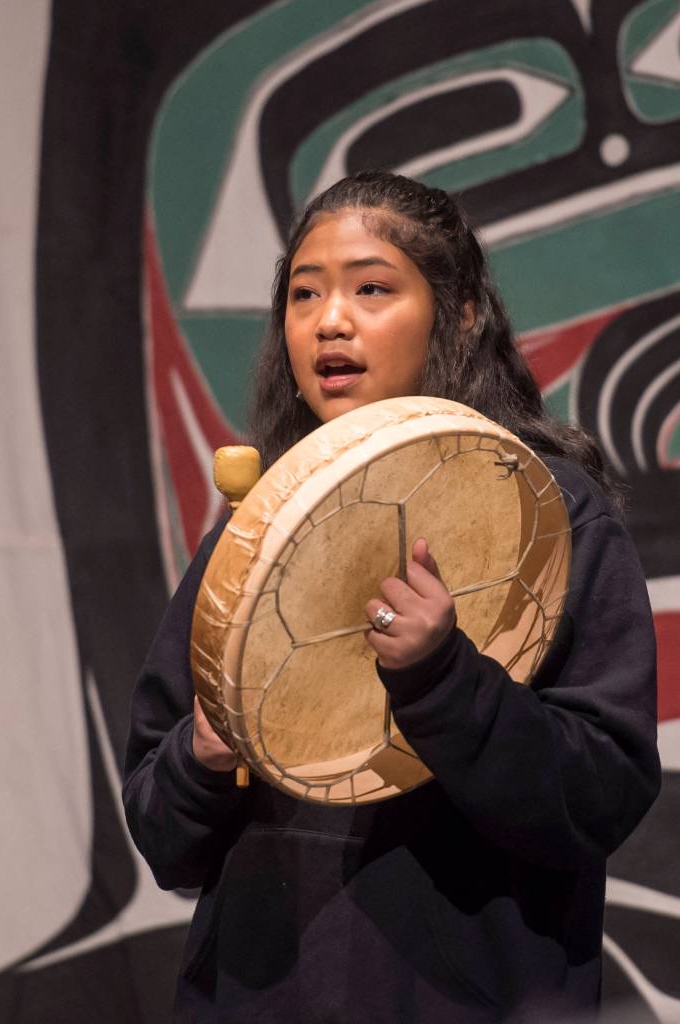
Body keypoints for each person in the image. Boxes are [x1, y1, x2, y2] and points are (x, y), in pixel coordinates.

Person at [123, 171, 660, 1023]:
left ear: (460, 314)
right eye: (304, 294)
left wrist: (442, 675)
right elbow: (165, 843)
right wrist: (204, 755)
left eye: (371, 288)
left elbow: (596, 800)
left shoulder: (547, 514)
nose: (329, 320)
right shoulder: (253, 531)